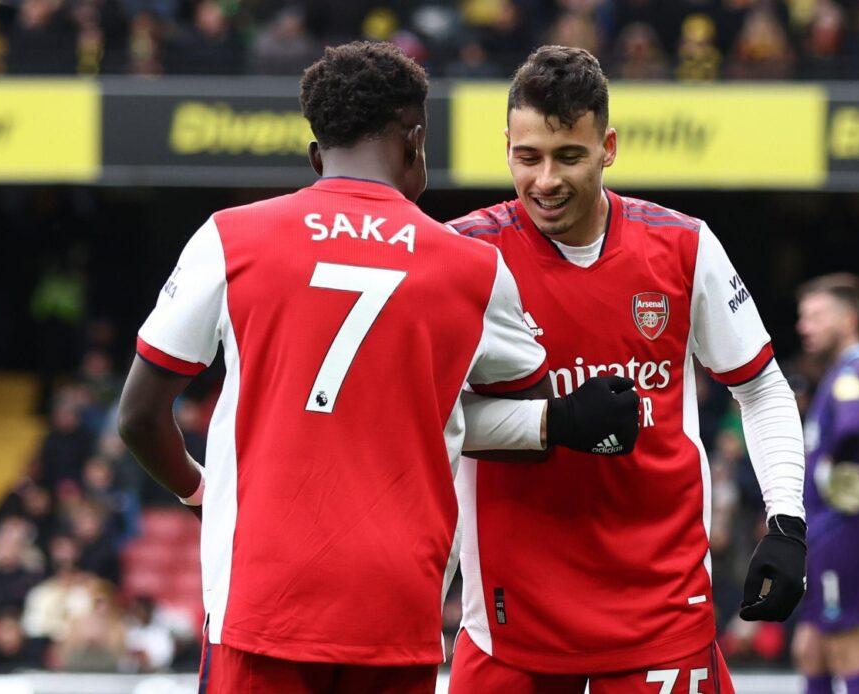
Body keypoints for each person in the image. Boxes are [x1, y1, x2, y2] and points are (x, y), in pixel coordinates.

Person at [117, 41, 639, 694]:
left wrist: (200, 494)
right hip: (394, 603)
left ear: (316, 156)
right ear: (415, 142)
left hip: (262, 595)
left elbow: (138, 417)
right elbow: (527, 423)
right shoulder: (471, 270)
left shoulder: (230, 237)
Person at [443, 45, 808, 693]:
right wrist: (552, 422)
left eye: (569, 156)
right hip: (513, 617)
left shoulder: (682, 244)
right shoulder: (464, 256)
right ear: (506, 146)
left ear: (608, 146)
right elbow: (425, 418)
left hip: (659, 607)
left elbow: (761, 388)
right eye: (527, 157)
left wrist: (785, 522)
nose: (545, 180)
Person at [793, 273, 859, 694]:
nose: (804, 326)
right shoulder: (835, 374)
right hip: (824, 528)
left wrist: (834, 467)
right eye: (803, 317)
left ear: (848, 319)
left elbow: (854, 423)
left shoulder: (856, 372)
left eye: (815, 316)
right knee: (809, 647)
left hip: (846, 528)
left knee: (846, 643)